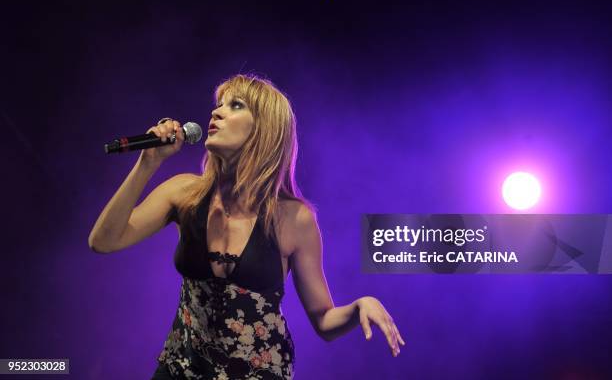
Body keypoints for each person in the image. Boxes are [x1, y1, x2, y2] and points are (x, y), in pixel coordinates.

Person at [88, 74, 405, 379]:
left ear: (264, 130)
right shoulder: (183, 193)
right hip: (181, 368)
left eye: (235, 105)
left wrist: (361, 305)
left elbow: (323, 319)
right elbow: (103, 241)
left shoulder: (294, 219)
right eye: (219, 104)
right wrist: (148, 164)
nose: (216, 112)